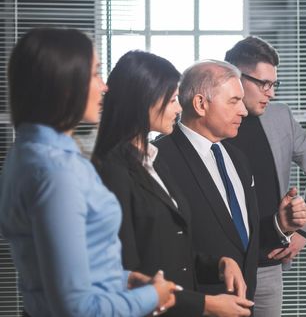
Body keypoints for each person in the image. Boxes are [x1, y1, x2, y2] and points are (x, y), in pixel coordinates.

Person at [0, 28, 177, 316]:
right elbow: (77, 307)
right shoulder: (57, 173)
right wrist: (151, 295)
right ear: (66, 84)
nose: (105, 86)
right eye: (95, 74)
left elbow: (68, 272)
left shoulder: (32, 154)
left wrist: (124, 279)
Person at [92, 50, 254, 317]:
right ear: (143, 101)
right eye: (172, 100)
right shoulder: (113, 171)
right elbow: (130, 276)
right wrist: (207, 305)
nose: (179, 108)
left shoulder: (154, 162)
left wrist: (219, 264)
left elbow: (172, 250)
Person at [154, 59, 306, 304]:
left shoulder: (237, 158)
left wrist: (281, 224)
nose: (244, 111)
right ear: (201, 104)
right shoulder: (159, 160)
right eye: (234, 101)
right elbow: (161, 250)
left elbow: (241, 241)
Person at [224, 36, 306, 317]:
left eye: (274, 84)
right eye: (263, 84)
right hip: (219, 266)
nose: (270, 92)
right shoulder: (209, 119)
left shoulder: (279, 116)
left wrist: (304, 232)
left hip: (268, 262)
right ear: (235, 76)